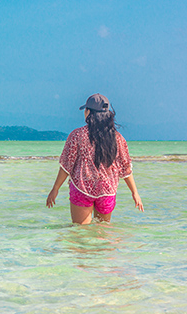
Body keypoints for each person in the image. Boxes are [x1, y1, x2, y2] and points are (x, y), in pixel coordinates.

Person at [46, 93, 144, 224]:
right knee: (102, 234)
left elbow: (66, 165)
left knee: (80, 233)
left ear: (89, 112)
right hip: (107, 192)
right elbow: (125, 168)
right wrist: (135, 192)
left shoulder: (77, 135)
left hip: (82, 189)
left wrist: (55, 188)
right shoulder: (118, 138)